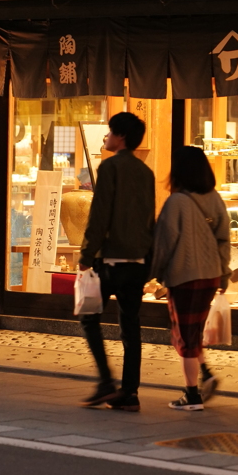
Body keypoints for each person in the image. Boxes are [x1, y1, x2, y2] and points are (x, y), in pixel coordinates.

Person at [78, 109, 155, 412]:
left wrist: (86, 254)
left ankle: (105, 382)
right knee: (130, 326)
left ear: (120, 136)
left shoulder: (109, 168)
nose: (106, 137)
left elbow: (100, 215)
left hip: (108, 261)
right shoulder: (145, 172)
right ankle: (130, 392)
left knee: (88, 316)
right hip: (137, 262)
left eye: (109, 132)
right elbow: (148, 218)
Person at [151, 146, 230, 411]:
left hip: (184, 276)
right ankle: (205, 373)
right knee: (192, 332)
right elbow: (224, 239)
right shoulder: (214, 198)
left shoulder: (176, 202)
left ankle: (192, 394)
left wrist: (155, 273)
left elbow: (164, 242)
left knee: (184, 336)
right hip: (210, 275)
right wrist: (224, 274)